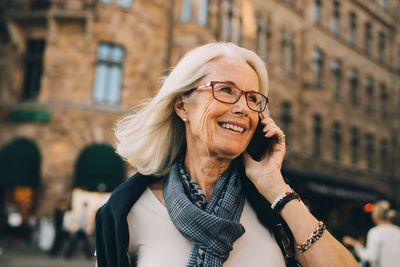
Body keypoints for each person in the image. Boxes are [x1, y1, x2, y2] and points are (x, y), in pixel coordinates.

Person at [95, 42, 358, 267]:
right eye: (226, 90)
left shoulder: (271, 206)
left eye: (253, 98)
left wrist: (274, 185)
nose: (243, 107)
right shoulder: (126, 212)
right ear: (182, 106)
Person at [343, 200, 400, 267]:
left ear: (376, 215)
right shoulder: (398, 231)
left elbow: (370, 257)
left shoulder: (376, 232)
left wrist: (355, 244)